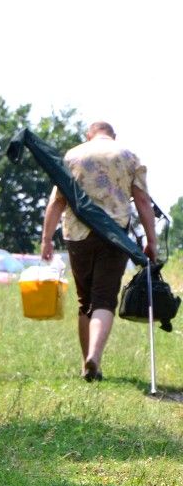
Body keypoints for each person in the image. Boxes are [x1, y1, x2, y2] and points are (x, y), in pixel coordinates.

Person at [40, 121, 157, 381]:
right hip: (113, 236)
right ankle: (95, 356)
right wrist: (152, 241)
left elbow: (57, 202)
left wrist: (46, 239)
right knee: (104, 298)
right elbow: (142, 201)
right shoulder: (128, 156)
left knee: (86, 301)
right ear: (113, 136)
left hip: (77, 235)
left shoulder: (72, 155)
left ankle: (87, 364)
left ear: (88, 135)